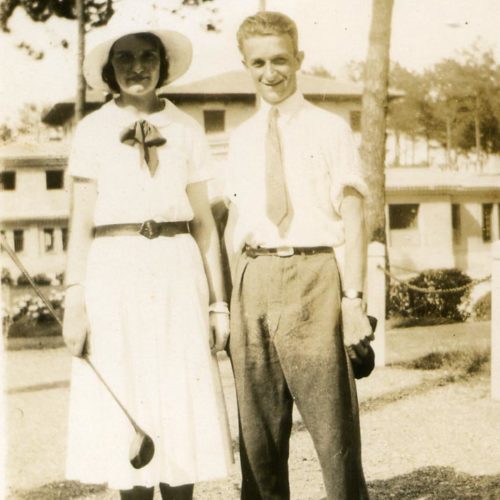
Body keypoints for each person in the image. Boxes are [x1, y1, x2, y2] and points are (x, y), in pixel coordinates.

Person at [62, 20, 232, 500]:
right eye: (125, 59)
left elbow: (204, 224)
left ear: (164, 65)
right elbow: (80, 222)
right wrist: (75, 300)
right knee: (128, 402)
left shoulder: (186, 128)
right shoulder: (93, 132)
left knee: (181, 399)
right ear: (109, 70)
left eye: (148, 58)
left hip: (178, 273)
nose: (137, 68)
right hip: (113, 273)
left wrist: (218, 306)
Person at [224, 11, 373, 500]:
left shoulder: (330, 129)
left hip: (314, 277)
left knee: (334, 431)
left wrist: (353, 302)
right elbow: (234, 223)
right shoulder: (241, 138)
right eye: (259, 62)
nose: (271, 72)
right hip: (253, 280)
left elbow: (354, 219)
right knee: (258, 435)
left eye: (281, 60)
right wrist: (228, 301)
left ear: (299, 60)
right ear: (245, 65)